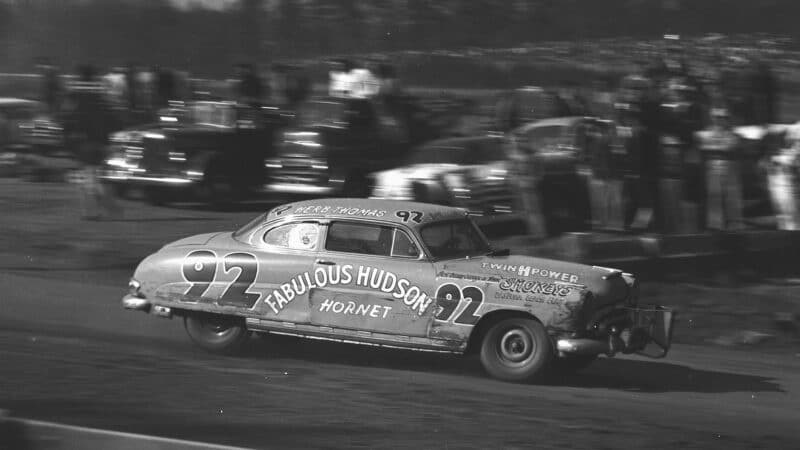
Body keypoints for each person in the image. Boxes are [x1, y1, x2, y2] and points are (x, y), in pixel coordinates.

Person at [70, 64, 121, 221]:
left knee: (87, 178)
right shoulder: (102, 95)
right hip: (102, 143)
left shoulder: (77, 95)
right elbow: (113, 119)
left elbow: (73, 119)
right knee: (101, 178)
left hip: (86, 143)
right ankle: (109, 208)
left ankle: (92, 212)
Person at [696, 108, 744, 230]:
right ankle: (715, 225)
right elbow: (703, 146)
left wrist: (714, 146)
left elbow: (730, 146)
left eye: (723, 118)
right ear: (713, 119)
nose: (720, 120)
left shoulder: (732, 133)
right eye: (718, 118)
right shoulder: (708, 132)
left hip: (729, 164)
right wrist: (718, 146)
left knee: (732, 195)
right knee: (714, 195)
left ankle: (735, 224)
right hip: (713, 164)